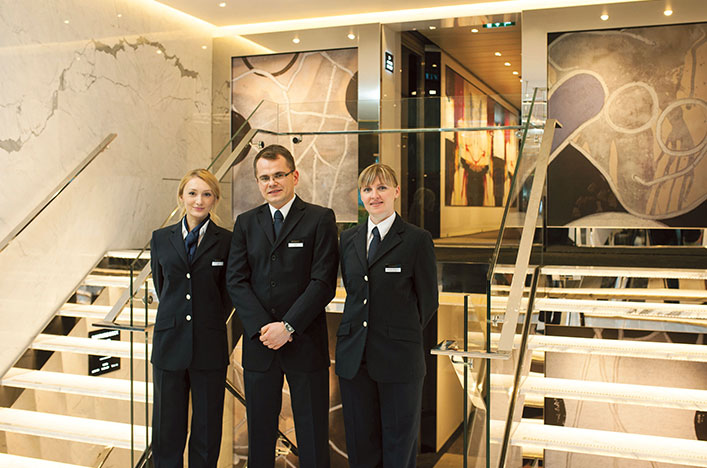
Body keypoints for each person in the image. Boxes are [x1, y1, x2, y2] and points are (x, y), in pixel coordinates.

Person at [227, 144, 338, 468]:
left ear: (294, 176)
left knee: (313, 434)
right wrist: (266, 328)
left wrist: (288, 327)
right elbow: (236, 280)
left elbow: (323, 282)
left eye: (278, 175)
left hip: (304, 342)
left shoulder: (320, 218)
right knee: (259, 435)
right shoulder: (246, 223)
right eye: (264, 177)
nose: (271, 182)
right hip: (261, 345)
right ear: (258, 183)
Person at [336, 163, 439, 468]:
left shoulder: (416, 240)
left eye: (381, 188)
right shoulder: (348, 239)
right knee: (361, 446)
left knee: (398, 447)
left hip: (399, 360)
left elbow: (428, 301)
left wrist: (397, 334)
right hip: (355, 359)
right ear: (360, 195)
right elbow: (355, 294)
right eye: (367, 189)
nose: (374, 195)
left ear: (396, 192)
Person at [150, 169, 233, 468]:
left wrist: (205, 322)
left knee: (207, 430)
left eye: (207, 194)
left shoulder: (228, 241)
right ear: (181, 196)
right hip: (169, 345)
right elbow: (164, 288)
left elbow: (227, 295)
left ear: (215, 199)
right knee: (166, 429)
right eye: (193, 193)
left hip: (208, 347)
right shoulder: (160, 239)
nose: (199, 200)